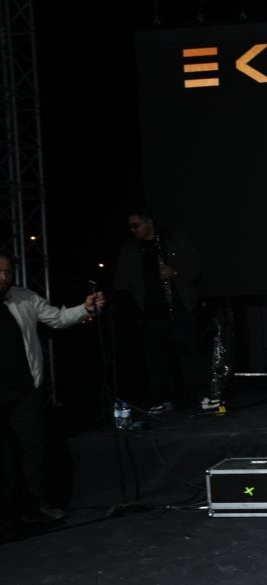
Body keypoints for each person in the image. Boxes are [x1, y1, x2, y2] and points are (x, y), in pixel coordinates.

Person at [1, 252, 105, 526]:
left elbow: (57, 318)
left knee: (33, 450)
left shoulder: (23, 297)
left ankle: (36, 506)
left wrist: (85, 308)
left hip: (25, 389)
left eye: (7, 271)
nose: (4, 277)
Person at [113, 207, 212, 413]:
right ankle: (161, 399)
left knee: (189, 352)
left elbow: (195, 266)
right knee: (155, 357)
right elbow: (122, 281)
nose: (133, 230)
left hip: (177, 306)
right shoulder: (131, 249)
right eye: (130, 227)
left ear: (148, 222)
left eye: (136, 225)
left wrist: (174, 271)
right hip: (150, 310)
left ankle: (203, 396)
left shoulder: (173, 239)